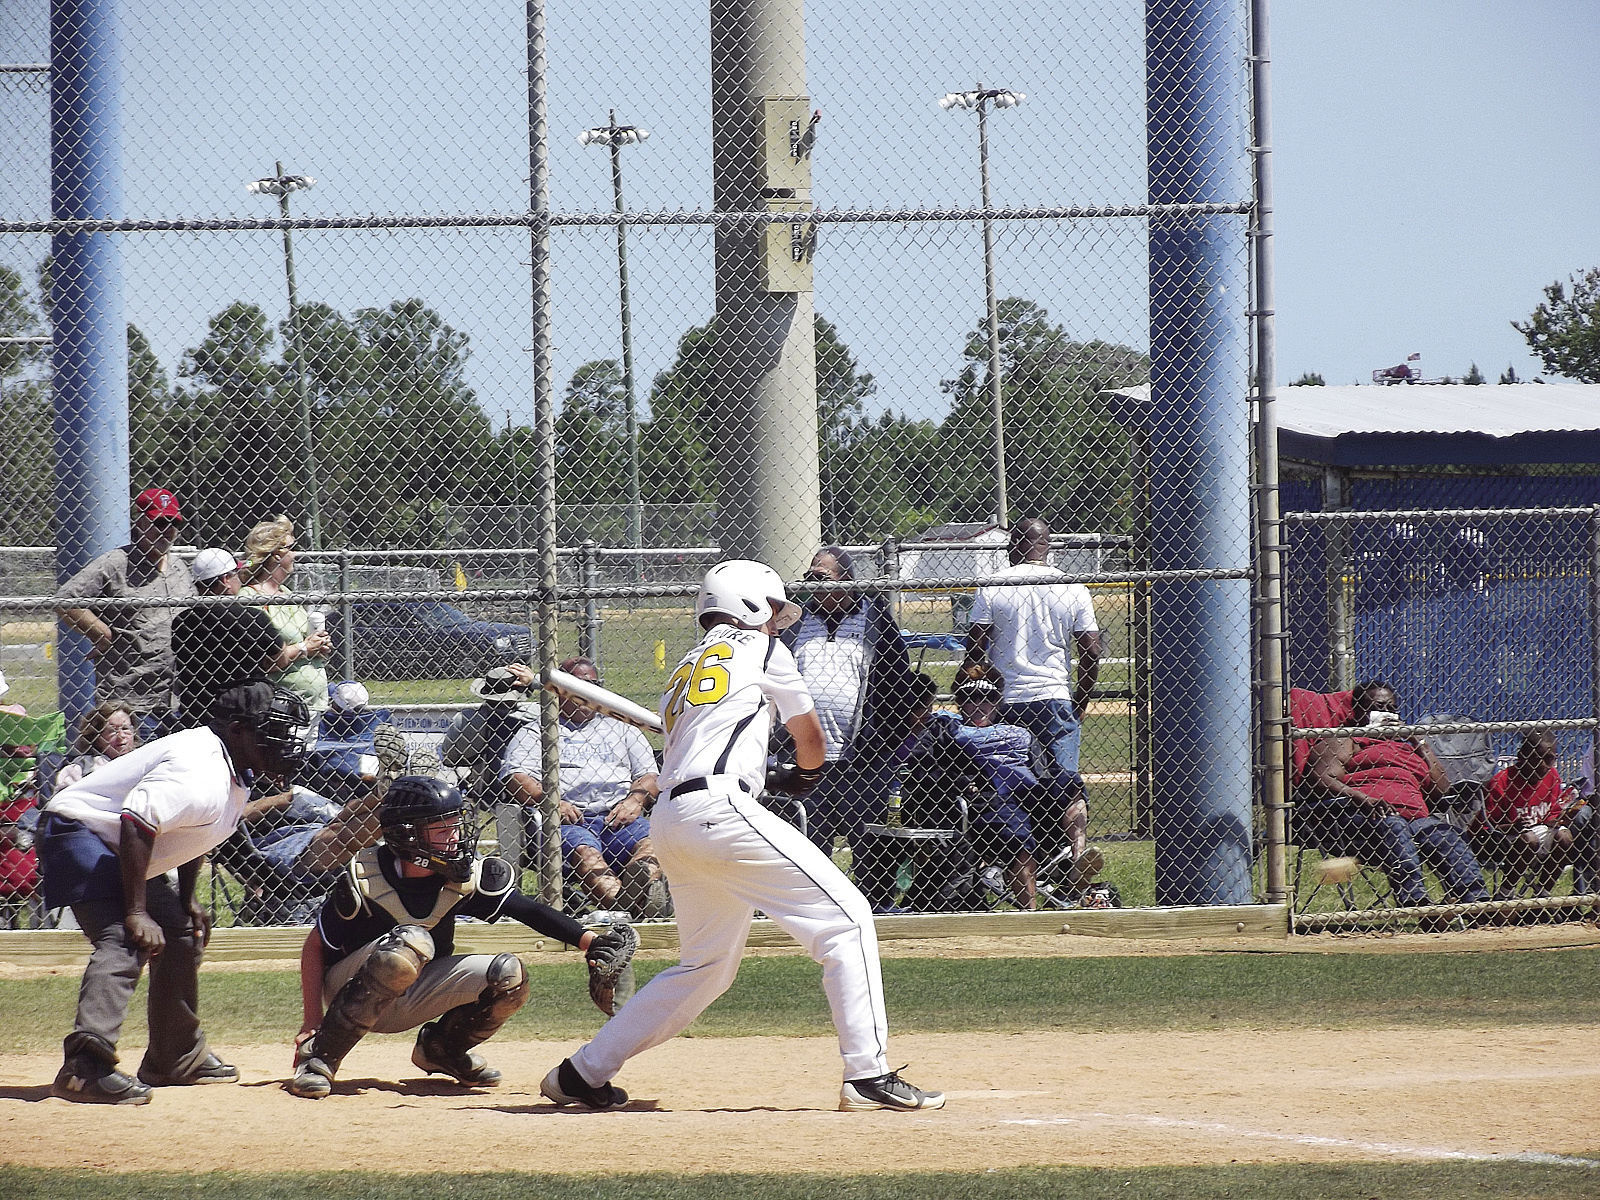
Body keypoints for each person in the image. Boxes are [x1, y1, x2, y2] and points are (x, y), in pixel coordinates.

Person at [540, 559, 944, 1113]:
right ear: (753, 606)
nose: (779, 621)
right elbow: (812, 739)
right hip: (720, 810)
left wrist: (766, 772)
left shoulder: (684, 668)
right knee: (848, 918)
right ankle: (867, 1072)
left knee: (706, 968)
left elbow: (709, 739)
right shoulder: (764, 650)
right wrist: (802, 774)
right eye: (773, 610)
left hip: (674, 819)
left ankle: (581, 1074)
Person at [35, 682, 312, 1104]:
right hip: (80, 832)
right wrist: (135, 911)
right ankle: (83, 1070)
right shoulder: (199, 769)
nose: (285, 742)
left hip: (119, 842)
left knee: (182, 933)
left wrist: (184, 900)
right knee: (124, 940)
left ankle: (175, 1056)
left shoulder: (230, 767)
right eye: (274, 730)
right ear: (238, 730)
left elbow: (185, 833)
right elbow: (138, 820)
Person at [286, 775, 637, 1099]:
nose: (455, 837)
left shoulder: (462, 875)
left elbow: (528, 910)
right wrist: (311, 1021)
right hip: (350, 988)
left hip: (416, 989)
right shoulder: (366, 877)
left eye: (456, 825)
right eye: (442, 829)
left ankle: (442, 1049)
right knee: (411, 941)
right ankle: (319, 1058)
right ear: (408, 835)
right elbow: (316, 947)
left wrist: (589, 941)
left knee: (509, 974)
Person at [962, 517, 1102, 883]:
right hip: (1054, 696)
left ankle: (1011, 861)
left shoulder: (993, 585)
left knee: (1010, 781)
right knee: (1066, 782)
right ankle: (1077, 852)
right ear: (1049, 546)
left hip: (1005, 702)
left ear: (1012, 547)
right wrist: (1081, 697)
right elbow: (1090, 648)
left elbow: (975, 645)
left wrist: (987, 681)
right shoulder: (1071, 587)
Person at [500, 656, 668, 918]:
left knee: (653, 843)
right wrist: (552, 802)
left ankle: (630, 902)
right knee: (586, 853)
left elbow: (649, 775)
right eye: (578, 687)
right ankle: (631, 908)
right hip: (568, 822)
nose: (585, 694)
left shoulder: (622, 728)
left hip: (619, 817)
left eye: (591, 685)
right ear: (561, 690)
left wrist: (635, 801)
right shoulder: (539, 730)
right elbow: (516, 776)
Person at [1303, 679, 1490, 914]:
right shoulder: (1344, 739)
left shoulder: (1409, 749)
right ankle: (1419, 906)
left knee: (1445, 834)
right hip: (1358, 820)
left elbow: (1441, 790)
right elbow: (1321, 778)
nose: (1386, 714)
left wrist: (1419, 744)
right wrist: (1363, 798)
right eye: (1378, 707)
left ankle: (1479, 905)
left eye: (1391, 709)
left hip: (1414, 823)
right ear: (1359, 711)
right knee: (1394, 824)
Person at [782, 547, 918, 865]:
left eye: (821, 577)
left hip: (862, 762)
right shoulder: (797, 623)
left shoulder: (875, 622)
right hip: (807, 760)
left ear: (846, 579)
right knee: (808, 851)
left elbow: (899, 688)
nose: (813, 584)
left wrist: (880, 744)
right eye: (809, 577)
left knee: (870, 848)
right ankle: (814, 911)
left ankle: (876, 907)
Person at [56, 486, 197, 741]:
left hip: (175, 699)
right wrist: (101, 633)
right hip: (129, 702)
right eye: (159, 522)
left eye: (172, 523)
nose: (166, 531)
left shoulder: (179, 567)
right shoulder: (116, 562)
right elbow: (66, 600)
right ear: (140, 522)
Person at [171, 547, 285, 726]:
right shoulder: (252, 617)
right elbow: (280, 658)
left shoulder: (182, 621)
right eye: (236, 575)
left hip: (197, 715)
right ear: (226, 580)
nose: (240, 579)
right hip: (244, 716)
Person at [240, 515, 333, 720]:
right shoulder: (250, 597)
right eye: (291, 548)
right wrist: (305, 648)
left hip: (312, 705)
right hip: (281, 709)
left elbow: (305, 640)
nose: (296, 553)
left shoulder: (286, 594)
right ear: (275, 555)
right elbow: (263, 661)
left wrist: (319, 645)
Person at [1477, 730, 1574, 899]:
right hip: (1507, 839)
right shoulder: (1502, 781)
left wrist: (1557, 820)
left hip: (1540, 832)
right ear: (1522, 757)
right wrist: (1512, 827)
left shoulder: (1552, 776)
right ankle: (1506, 894)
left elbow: (1552, 814)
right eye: (1536, 759)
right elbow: (1485, 828)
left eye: (1549, 759)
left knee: (1565, 837)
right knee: (1530, 839)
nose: (1543, 765)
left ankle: (1542, 894)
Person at [53, 700, 139, 791]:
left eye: (126, 729)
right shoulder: (82, 767)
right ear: (96, 738)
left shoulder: (143, 759)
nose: (121, 736)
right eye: (112, 731)